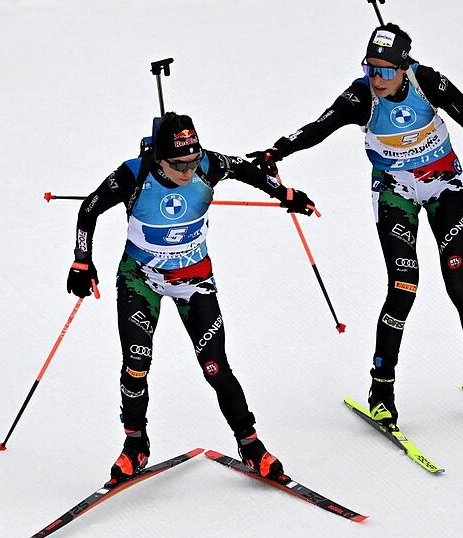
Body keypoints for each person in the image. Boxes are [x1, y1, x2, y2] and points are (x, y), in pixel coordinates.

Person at [248, 23, 463, 426]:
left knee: (459, 280)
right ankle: (382, 387)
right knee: (404, 285)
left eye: (385, 71)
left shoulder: (428, 82)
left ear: (404, 67)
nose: (376, 78)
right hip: (395, 191)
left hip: (444, 184)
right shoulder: (362, 96)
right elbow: (320, 126)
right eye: (370, 68)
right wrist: (277, 150)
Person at [66, 112, 315, 484]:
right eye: (178, 164)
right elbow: (89, 209)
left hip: (194, 281)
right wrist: (82, 261)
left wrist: (284, 194)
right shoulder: (133, 174)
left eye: (193, 161)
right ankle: (135, 445)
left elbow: (247, 170)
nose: (187, 171)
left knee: (216, 366)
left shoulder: (208, 164)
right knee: (136, 363)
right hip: (141, 280)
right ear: (159, 158)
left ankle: (250, 445)